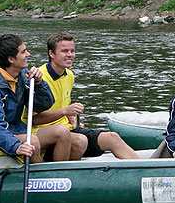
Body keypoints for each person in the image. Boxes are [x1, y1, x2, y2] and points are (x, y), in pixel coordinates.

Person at [31, 32, 139, 160]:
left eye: (72, 51)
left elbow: (62, 105)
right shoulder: (39, 78)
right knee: (80, 141)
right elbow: (34, 120)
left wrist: (71, 117)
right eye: (64, 51)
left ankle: (147, 172)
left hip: (68, 129)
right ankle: (65, 175)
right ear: (51, 54)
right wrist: (65, 111)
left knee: (112, 138)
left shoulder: (69, 75)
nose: (70, 55)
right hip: (47, 136)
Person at [0, 33, 72, 163]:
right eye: (23, 52)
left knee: (62, 131)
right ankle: (38, 180)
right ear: (11, 59)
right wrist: (16, 146)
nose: (28, 54)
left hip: (16, 130)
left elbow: (44, 104)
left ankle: (59, 178)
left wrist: (39, 83)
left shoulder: (22, 75)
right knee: (31, 141)